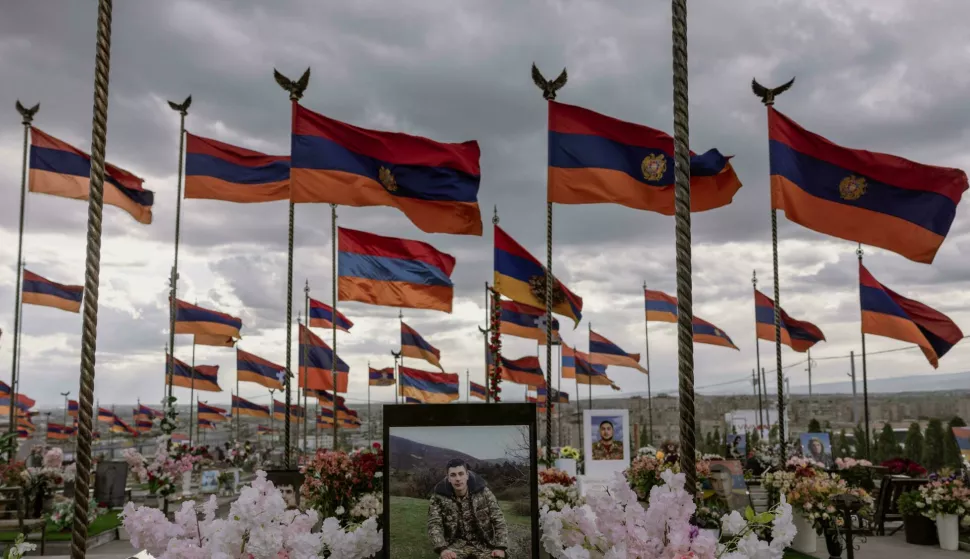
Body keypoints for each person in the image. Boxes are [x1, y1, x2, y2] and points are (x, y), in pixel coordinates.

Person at [428, 459, 508, 559]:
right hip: (455, 545)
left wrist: (500, 547)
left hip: (484, 544)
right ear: (448, 478)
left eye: (461, 474)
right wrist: (442, 548)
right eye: (453, 475)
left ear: (467, 475)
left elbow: (498, 518)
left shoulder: (484, 492)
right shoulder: (438, 496)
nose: (458, 479)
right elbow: (434, 523)